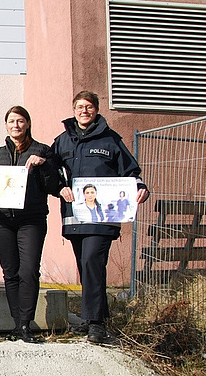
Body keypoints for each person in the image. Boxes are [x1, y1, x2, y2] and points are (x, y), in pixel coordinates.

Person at [51, 91, 149, 344]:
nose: (84, 111)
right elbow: (52, 175)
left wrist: (140, 187)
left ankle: (96, 324)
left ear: (96, 110)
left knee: (93, 261)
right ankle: (92, 316)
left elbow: (130, 170)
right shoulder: (62, 141)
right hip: (74, 217)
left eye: (89, 107)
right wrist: (58, 187)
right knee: (86, 265)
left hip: (103, 217)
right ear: (73, 110)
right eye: (80, 107)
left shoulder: (111, 140)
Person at [0, 105, 58, 343]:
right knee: (10, 273)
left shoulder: (41, 150)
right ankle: (18, 325)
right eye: (12, 121)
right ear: (6, 125)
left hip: (31, 220)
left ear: (28, 124)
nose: (16, 125)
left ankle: (26, 323)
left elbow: (54, 185)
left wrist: (43, 164)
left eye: (21, 121)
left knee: (29, 271)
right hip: (2, 220)